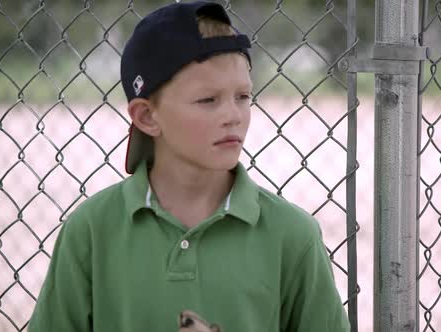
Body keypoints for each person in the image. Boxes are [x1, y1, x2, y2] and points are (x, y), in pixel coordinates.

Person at [28, 1, 350, 331]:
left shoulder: (292, 235)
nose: (234, 116)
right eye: (208, 100)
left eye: (243, 96)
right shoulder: (91, 231)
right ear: (147, 116)